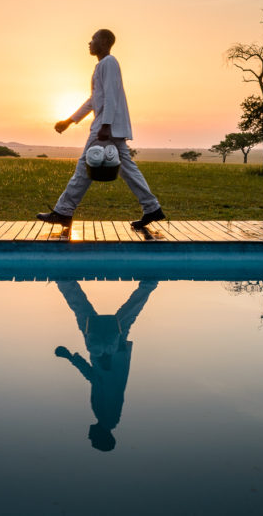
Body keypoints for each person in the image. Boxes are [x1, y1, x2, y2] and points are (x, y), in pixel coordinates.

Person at [37, 29, 166, 230]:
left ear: (104, 41)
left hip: (107, 126)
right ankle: (152, 208)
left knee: (84, 167)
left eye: (93, 39)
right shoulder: (101, 66)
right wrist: (70, 120)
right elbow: (94, 100)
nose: (89, 43)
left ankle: (63, 211)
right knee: (127, 168)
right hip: (109, 125)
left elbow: (111, 96)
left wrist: (105, 126)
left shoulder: (109, 63)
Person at [52, 280, 159, 452]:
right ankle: (65, 282)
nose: (89, 436)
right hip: (106, 354)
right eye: (93, 440)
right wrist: (106, 360)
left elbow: (94, 378)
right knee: (85, 315)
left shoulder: (105, 417)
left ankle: (148, 285)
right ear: (102, 437)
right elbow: (109, 386)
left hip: (110, 354)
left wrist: (71, 357)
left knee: (122, 317)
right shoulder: (108, 418)